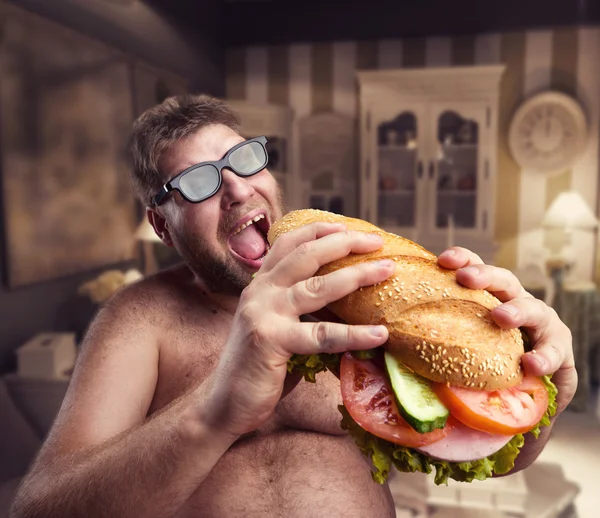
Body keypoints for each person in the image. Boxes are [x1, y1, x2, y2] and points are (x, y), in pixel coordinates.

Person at [11, 94, 576, 518]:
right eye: (199, 182)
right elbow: (40, 510)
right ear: (161, 225)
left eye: (244, 160)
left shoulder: (356, 292)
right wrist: (214, 413)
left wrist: (539, 390)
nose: (236, 190)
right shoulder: (140, 317)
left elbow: (496, 453)